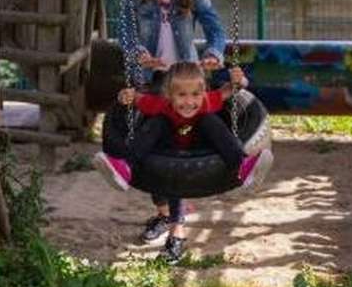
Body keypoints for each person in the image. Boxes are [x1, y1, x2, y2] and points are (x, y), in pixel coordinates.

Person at [117, 0, 230, 248]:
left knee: (178, 150)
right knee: (151, 147)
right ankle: (165, 212)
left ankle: (177, 227)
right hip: (148, 77)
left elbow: (215, 29)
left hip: (184, 80)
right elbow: (124, 31)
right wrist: (137, 51)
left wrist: (213, 53)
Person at [94, 61, 273, 262]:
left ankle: (241, 165)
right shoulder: (162, 104)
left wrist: (239, 80)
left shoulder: (206, 102)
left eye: (195, 94)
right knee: (157, 122)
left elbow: (229, 90)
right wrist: (125, 96)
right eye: (181, 95)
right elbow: (136, 99)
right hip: (167, 149)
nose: (189, 102)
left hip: (200, 146)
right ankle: (126, 168)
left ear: (203, 92)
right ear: (170, 95)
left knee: (209, 120)